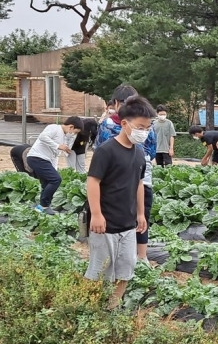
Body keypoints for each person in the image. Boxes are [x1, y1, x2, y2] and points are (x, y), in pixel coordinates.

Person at [84, 96, 154, 310]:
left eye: (148, 128)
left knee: (126, 268)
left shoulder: (139, 153)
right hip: (105, 223)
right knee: (100, 270)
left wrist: (140, 214)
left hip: (128, 223)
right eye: (140, 127)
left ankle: (112, 307)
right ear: (124, 124)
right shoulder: (106, 150)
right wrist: (96, 214)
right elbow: (93, 181)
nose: (144, 132)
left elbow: (139, 183)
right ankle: (89, 308)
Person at [95, 85, 157, 262]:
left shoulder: (141, 125)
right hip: (115, 182)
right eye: (124, 102)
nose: (143, 131)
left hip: (139, 177)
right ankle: (119, 258)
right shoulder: (109, 127)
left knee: (141, 215)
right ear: (115, 103)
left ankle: (140, 257)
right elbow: (99, 166)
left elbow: (151, 150)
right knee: (116, 216)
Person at [26, 116, 84, 215]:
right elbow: (42, 137)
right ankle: (45, 206)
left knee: (47, 182)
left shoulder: (63, 136)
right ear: (71, 127)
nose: (73, 134)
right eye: (75, 132)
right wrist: (58, 146)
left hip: (45, 159)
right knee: (56, 179)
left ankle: (41, 208)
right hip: (37, 157)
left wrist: (54, 168)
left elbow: (55, 155)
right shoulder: (54, 128)